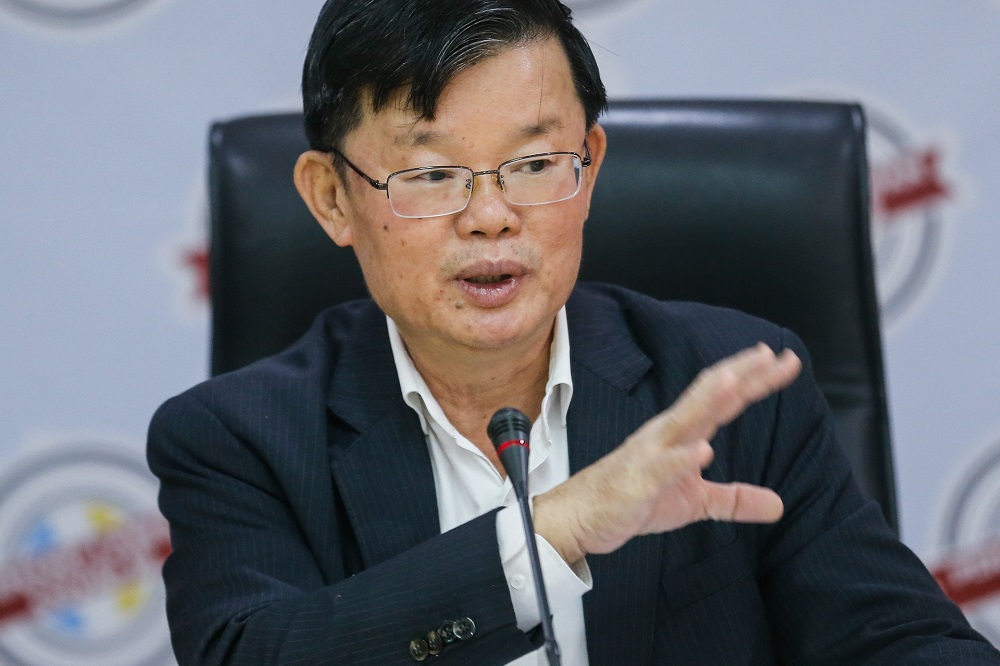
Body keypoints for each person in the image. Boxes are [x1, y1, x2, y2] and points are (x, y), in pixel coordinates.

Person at [147, 0, 999, 663]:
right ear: (332, 198)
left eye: (533, 164)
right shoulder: (237, 440)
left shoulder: (729, 390)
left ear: (589, 168)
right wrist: (556, 531)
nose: (490, 216)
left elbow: (900, 643)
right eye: (432, 173)